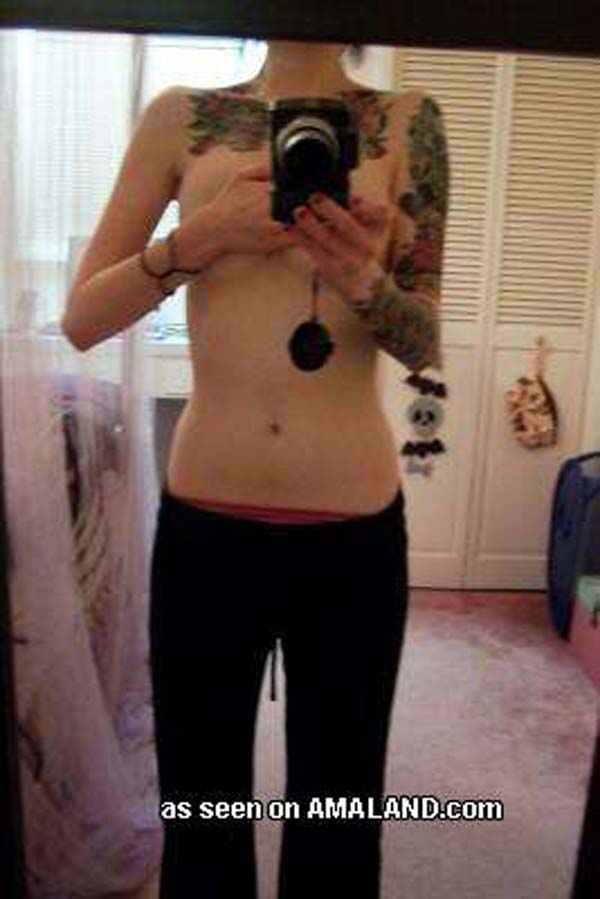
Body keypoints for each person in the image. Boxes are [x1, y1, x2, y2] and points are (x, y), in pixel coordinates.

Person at [61, 38, 448, 899]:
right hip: (208, 529)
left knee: (339, 812)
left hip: (351, 534)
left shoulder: (407, 121)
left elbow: (423, 342)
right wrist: (198, 239)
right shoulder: (180, 118)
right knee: (202, 811)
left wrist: (358, 275)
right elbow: (83, 318)